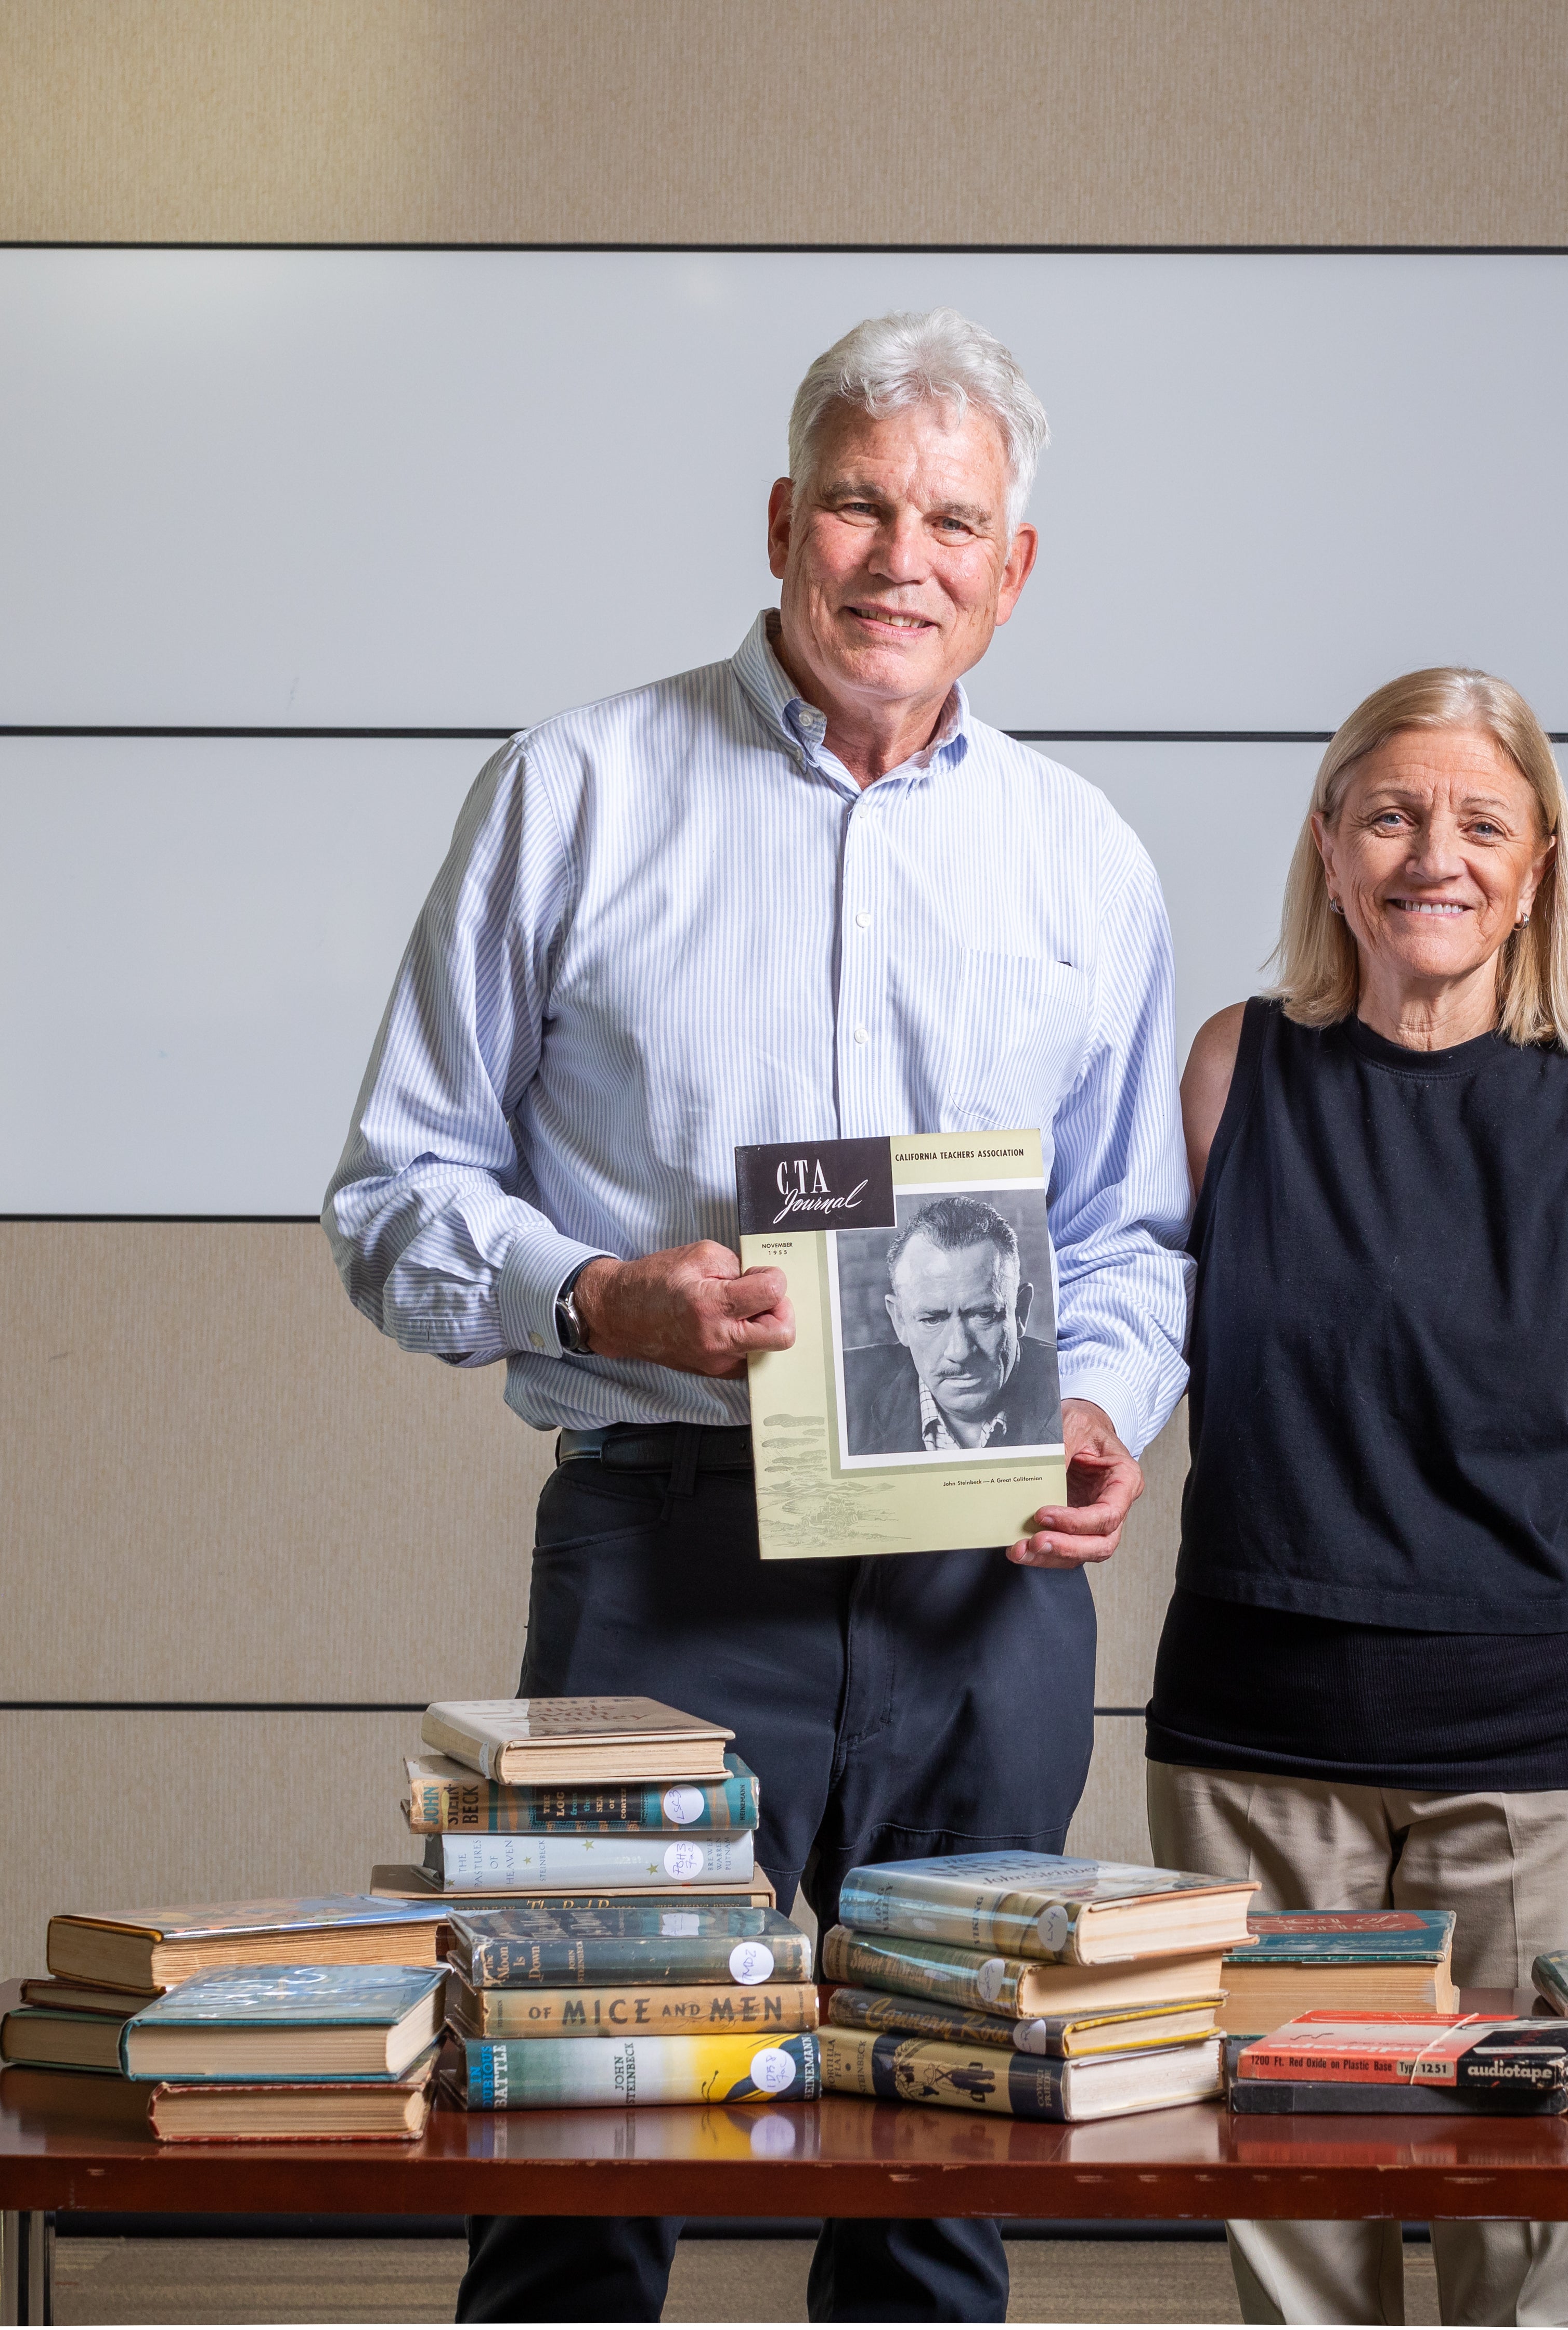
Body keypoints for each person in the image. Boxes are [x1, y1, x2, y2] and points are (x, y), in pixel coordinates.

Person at [324, 308, 1188, 2325]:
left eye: (954, 520)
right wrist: (599, 1290)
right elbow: (394, 1194)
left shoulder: (1082, 856)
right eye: (864, 507)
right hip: (664, 1543)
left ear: (1016, 564)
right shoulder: (576, 789)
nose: (905, 560)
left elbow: (1132, 1232)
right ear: (786, 519)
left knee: (945, 2148)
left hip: (979, 1572)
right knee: (582, 2131)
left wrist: (1095, 1401)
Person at [1143, 668, 1568, 2329]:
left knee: (1525, 2252)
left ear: (1537, 864)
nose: (1434, 855)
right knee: (1299, 2244)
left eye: (1480, 821)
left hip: (1541, 1771)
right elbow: (1116, 1333)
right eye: (1392, 813)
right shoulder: (1226, 1071)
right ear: (1329, 846)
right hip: (1252, 1755)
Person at [843, 1195, 1065, 1453]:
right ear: (899, 1320)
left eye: (984, 1315)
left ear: (1020, 1312)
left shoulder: (1074, 1391)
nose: (959, 1352)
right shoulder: (840, 1392)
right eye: (933, 1319)